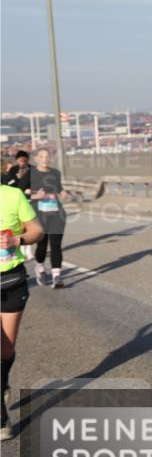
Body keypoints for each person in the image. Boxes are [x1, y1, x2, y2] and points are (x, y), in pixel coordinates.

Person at [1, 184, 44, 440]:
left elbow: (37, 230)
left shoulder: (12, 195)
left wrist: (17, 240)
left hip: (10, 280)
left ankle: (2, 380)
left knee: (5, 348)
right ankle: (1, 418)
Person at [29, 148, 70, 288]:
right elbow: (20, 193)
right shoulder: (30, 173)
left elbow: (58, 188)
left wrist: (63, 193)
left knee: (56, 245)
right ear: (36, 158)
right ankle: (39, 267)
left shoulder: (55, 173)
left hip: (56, 214)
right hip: (39, 216)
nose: (44, 159)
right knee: (42, 246)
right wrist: (35, 196)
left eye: (47, 156)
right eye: (41, 156)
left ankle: (56, 277)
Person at [4, 151, 34, 262]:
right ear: (17, 161)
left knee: (29, 226)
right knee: (20, 227)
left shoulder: (33, 169)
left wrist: (31, 190)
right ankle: (21, 248)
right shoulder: (13, 170)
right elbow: (9, 184)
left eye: (25, 161)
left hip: (30, 200)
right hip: (16, 201)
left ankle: (29, 250)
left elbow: (38, 183)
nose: (23, 163)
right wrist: (17, 177)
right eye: (20, 161)